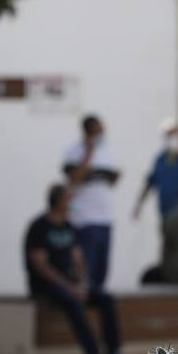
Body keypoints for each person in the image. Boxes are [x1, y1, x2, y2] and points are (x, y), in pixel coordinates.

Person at [25, 184, 122, 354]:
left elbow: (78, 258)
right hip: (47, 286)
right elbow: (41, 265)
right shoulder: (40, 227)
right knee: (72, 302)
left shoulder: (69, 226)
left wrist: (83, 283)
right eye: (70, 199)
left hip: (71, 285)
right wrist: (70, 288)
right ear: (59, 201)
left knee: (106, 299)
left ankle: (113, 351)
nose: (73, 203)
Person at [62, 114, 120, 293]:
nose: (102, 135)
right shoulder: (74, 152)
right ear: (89, 131)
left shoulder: (107, 152)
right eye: (98, 131)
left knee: (102, 269)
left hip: (105, 218)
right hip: (84, 219)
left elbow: (110, 181)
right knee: (87, 268)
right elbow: (75, 179)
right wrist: (89, 153)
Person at [134, 117, 178, 223]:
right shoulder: (161, 159)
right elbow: (150, 183)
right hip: (166, 214)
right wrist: (138, 207)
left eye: (174, 133)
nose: (172, 137)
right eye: (168, 135)